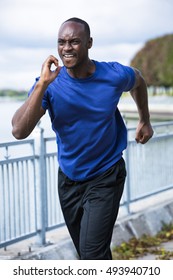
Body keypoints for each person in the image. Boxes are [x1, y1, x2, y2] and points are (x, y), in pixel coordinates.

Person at [12, 17, 153, 260]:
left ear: (89, 43)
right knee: (89, 252)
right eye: (61, 42)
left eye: (74, 41)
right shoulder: (50, 86)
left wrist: (145, 120)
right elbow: (18, 131)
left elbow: (138, 81)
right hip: (69, 178)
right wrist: (42, 84)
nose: (67, 47)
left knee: (92, 254)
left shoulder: (113, 74)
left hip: (106, 174)